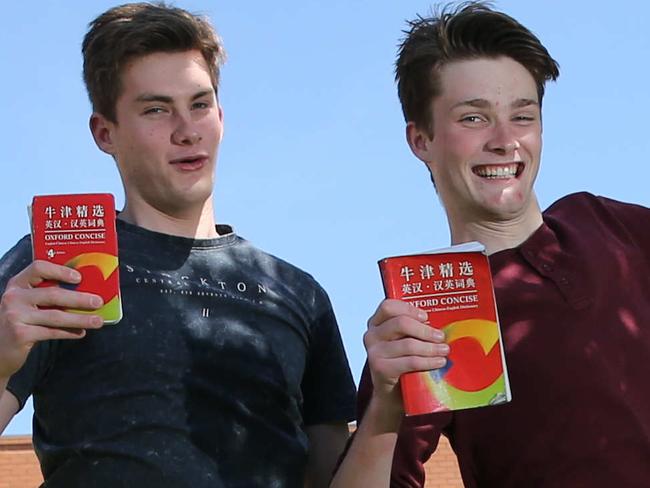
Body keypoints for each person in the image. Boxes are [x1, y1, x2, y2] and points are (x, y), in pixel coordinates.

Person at [0, 3, 356, 487]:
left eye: (200, 104)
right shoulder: (56, 264)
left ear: (221, 115)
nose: (187, 130)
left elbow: (334, 476)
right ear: (105, 132)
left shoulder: (299, 293)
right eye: (156, 109)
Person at [337, 2, 650, 487]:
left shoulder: (614, 226)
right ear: (421, 140)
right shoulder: (427, 317)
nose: (506, 141)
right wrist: (384, 410)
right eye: (474, 119)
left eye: (522, 116)